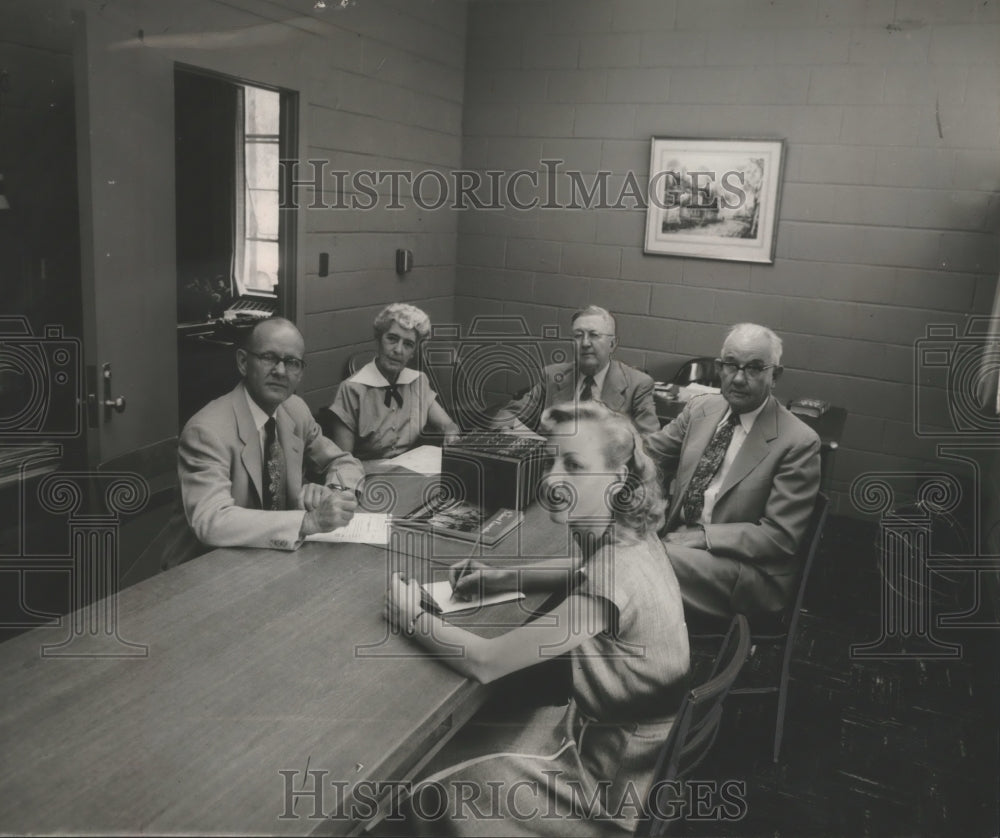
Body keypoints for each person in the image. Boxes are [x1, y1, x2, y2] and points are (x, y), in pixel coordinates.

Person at [385, 401, 690, 835]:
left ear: (616, 479)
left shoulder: (613, 574)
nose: (552, 480)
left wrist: (408, 615)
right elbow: (584, 572)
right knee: (447, 757)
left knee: (424, 790)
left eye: (575, 467)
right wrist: (505, 576)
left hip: (607, 783)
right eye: (552, 461)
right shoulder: (630, 536)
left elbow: (487, 662)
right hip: (629, 746)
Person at [644, 323, 821, 620]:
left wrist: (704, 536)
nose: (739, 378)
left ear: (774, 376)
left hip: (745, 572)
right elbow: (650, 454)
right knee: (607, 541)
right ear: (719, 368)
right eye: (731, 366)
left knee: (635, 564)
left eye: (753, 368)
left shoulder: (799, 442)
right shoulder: (700, 409)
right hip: (678, 542)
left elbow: (779, 536)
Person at [179, 316, 363, 551]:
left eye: (292, 362)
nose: (280, 371)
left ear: (300, 373)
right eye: (268, 358)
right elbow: (212, 520)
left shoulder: (295, 410)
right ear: (243, 362)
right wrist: (308, 521)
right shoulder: (206, 431)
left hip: (274, 556)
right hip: (208, 565)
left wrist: (333, 494)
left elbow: (342, 461)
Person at [321, 303, 461, 460]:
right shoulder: (351, 389)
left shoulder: (418, 381)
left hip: (411, 469)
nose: (398, 350)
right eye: (392, 339)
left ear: (414, 352)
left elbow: (447, 425)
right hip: (366, 475)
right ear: (379, 340)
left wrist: (451, 432)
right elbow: (342, 461)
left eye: (408, 344)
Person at [494, 305, 660, 435]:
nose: (585, 343)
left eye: (594, 335)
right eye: (578, 335)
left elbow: (650, 444)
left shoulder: (638, 385)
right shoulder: (552, 376)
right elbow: (505, 416)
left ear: (613, 344)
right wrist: (534, 442)